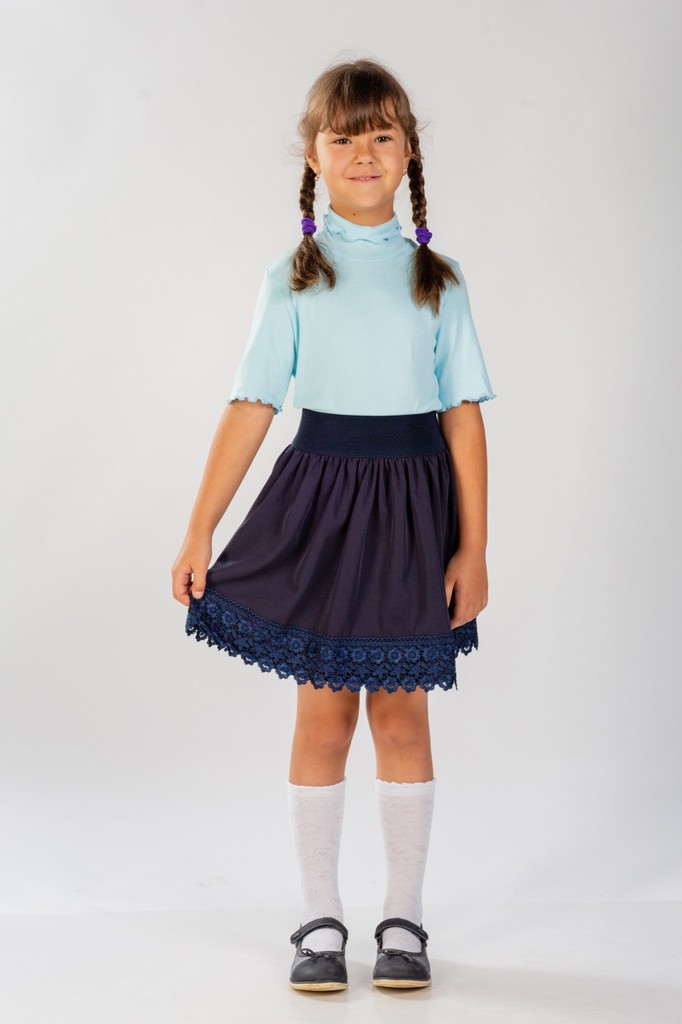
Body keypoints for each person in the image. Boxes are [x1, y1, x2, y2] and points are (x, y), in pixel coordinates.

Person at [171, 57, 497, 993]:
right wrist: (199, 530)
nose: (364, 151)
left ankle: (404, 917)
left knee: (401, 712)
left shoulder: (438, 279)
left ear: (408, 153)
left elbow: (462, 417)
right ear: (313, 156)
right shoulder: (292, 279)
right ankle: (319, 919)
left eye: (382, 134)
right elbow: (251, 407)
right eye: (344, 136)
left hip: (410, 511)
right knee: (322, 716)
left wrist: (475, 546)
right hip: (319, 505)